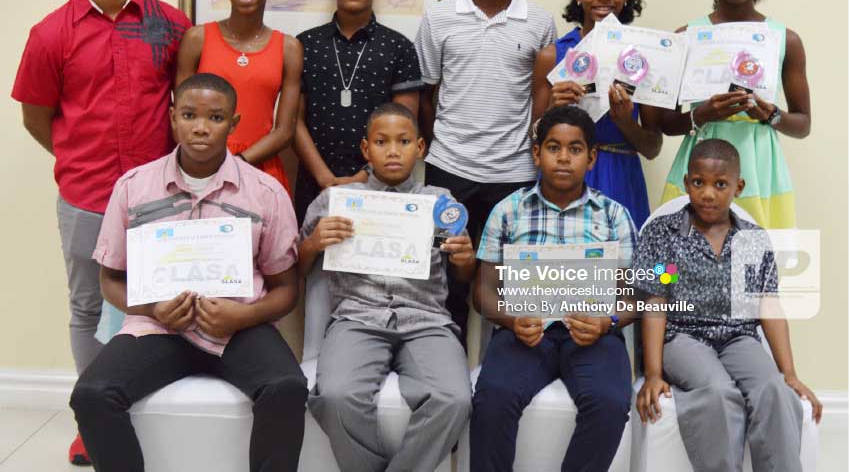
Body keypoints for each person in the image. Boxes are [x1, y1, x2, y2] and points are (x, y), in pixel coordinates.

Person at [10, 0, 190, 464]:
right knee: (87, 308)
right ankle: (92, 421)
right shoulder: (50, 33)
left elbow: (185, 105)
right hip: (86, 196)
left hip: (160, 198)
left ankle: (155, 412)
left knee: (164, 303)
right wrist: (76, 159)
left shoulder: (171, 25)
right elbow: (37, 116)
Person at [69, 73, 308, 472]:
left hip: (239, 326)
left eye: (216, 118)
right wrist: (153, 309)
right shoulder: (134, 187)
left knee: (287, 387)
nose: (200, 127)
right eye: (189, 115)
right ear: (172, 118)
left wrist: (244, 315)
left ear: (233, 124)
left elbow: (287, 288)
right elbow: (110, 279)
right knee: (92, 394)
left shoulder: (266, 192)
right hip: (158, 327)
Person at [300, 103, 473, 472]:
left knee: (455, 400)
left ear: (420, 148)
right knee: (335, 396)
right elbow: (295, 268)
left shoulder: (440, 203)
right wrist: (313, 244)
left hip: (427, 320)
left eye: (403, 141)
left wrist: (464, 259)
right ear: (366, 149)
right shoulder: (335, 201)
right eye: (382, 142)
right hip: (356, 318)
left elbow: (459, 271)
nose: (393, 151)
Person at [634, 138, 821, 472]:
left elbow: (768, 306)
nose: (708, 193)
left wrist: (789, 373)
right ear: (686, 183)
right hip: (683, 337)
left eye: (720, 184)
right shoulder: (664, 234)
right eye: (698, 182)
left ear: (738, 187)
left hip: (739, 338)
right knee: (718, 392)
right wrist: (652, 374)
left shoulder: (753, 238)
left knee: (774, 391)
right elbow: (655, 303)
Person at [415, 0, 556, 340]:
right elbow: (427, 91)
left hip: (513, 172)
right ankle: (448, 364)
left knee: (511, 285)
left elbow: (541, 93)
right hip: (449, 169)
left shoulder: (540, 22)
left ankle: (505, 365)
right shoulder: (439, 17)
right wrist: (440, 144)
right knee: (447, 281)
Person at [471, 105, 637, 472]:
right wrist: (512, 321)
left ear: (591, 158)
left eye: (575, 149)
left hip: (593, 333)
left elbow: (632, 296)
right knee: (492, 398)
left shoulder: (614, 215)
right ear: (536, 153)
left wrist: (606, 322)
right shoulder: (508, 211)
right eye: (553, 147)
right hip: (524, 331)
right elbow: (483, 292)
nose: (563, 158)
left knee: (610, 403)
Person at [659, 0, 811, 229]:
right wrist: (702, 114)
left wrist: (771, 115)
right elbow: (666, 123)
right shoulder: (687, 36)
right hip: (700, 161)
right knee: (686, 252)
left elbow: (803, 124)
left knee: (756, 253)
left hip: (759, 167)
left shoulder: (785, 39)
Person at [293, 0, 422, 225]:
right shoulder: (305, 44)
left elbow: (405, 125)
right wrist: (323, 177)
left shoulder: (399, 48)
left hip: (381, 183)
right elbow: (294, 120)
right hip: (315, 181)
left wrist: (364, 176)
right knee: (313, 247)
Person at [535, 0, 662, 229]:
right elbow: (532, 140)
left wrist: (624, 121)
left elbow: (653, 148)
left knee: (622, 256)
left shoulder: (641, 57)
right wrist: (552, 109)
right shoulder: (552, 56)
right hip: (565, 175)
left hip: (621, 176)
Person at [177, 0, 302, 194]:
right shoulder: (197, 39)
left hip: (260, 170)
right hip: (201, 168)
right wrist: (210, 165)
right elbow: (180, 116)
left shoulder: (289, 48)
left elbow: (284, 131)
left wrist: (238, 164)